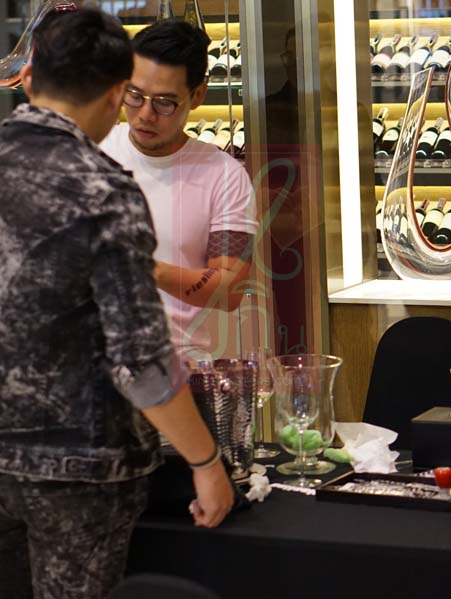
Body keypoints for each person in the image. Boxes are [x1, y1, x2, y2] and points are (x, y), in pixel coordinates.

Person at [0, 10, 233, 599]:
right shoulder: (103, 190)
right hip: (80, 465)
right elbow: (141, 361)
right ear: (113, 95)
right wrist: (206, 462)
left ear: (29, 78)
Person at [101, 19, 257, 361]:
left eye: (164, 103)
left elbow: (230, 291)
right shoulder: (92, 150)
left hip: (179, 367)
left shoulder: (224, 175)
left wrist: (142, 266)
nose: (145, 114)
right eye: (135, 95)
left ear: (197, 95)